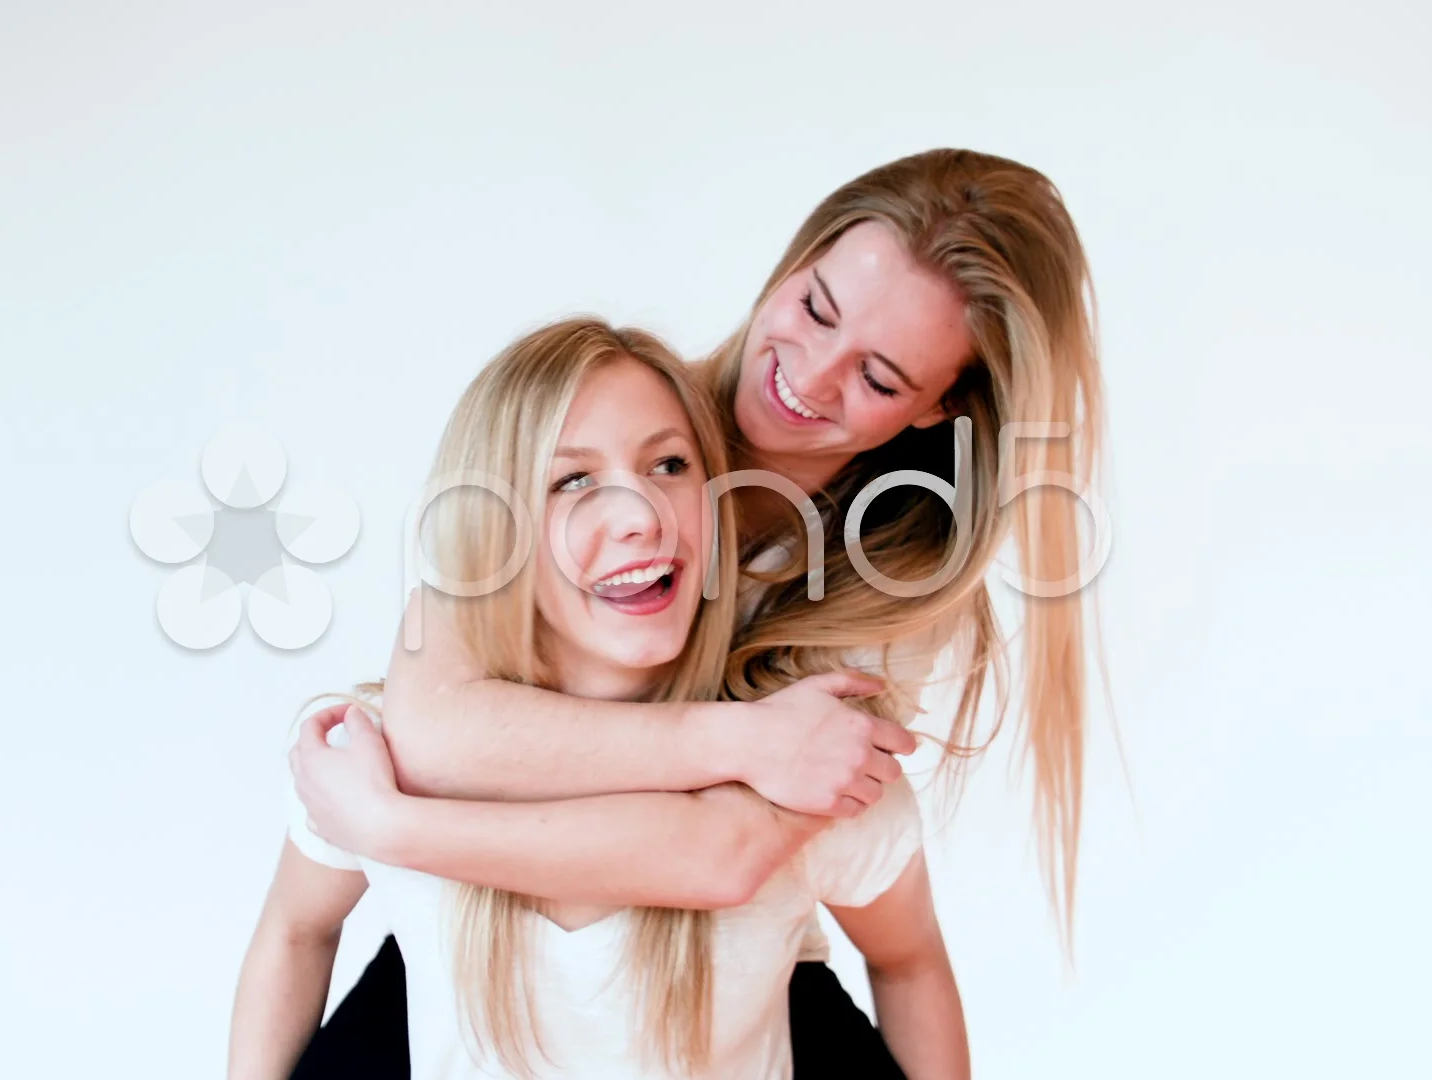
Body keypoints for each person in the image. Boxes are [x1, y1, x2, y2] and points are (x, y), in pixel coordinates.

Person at [285, 147, 1105, 1074]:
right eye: (813, 309)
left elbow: (725, 855)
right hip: (491, 926)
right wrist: (745, 740)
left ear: (938, 407)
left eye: (877, 378)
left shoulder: (896, 600)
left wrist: (393, 832)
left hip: (723, 966)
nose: (808, 376)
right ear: (793, 265)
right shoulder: (621, 410)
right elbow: (435, 732)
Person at [228, 319, 962, 1079]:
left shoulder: (806, 773)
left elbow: (909, 964)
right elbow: (294, 929)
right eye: (570, 480)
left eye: (670, 464)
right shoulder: (371, 762)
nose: (641, 514)